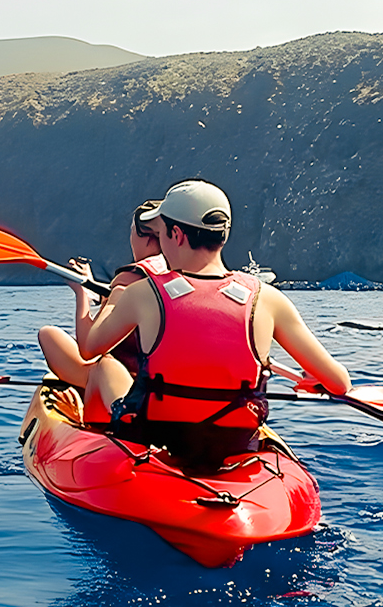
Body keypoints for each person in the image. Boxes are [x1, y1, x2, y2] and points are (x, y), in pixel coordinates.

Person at [79, 179, 350, 473]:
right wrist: (312, 377)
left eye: (160, 233)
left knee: (105, 366)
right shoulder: (268, 299)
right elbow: (339, 383)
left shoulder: (142, 294)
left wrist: (98, 298)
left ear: (177, 234)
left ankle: (94, 439)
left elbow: (89, 348)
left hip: (156, 436)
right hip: (233, 443)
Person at [36, 199, 166, 387]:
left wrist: (81, 294)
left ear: (145, 237)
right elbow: (127, 306)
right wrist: (95, 289)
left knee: (48, 335)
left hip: (120, 381)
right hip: (159, 378)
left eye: (132, 232)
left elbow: (88, 347)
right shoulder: (176, 272)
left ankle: (89, 384)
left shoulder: (131, 278)